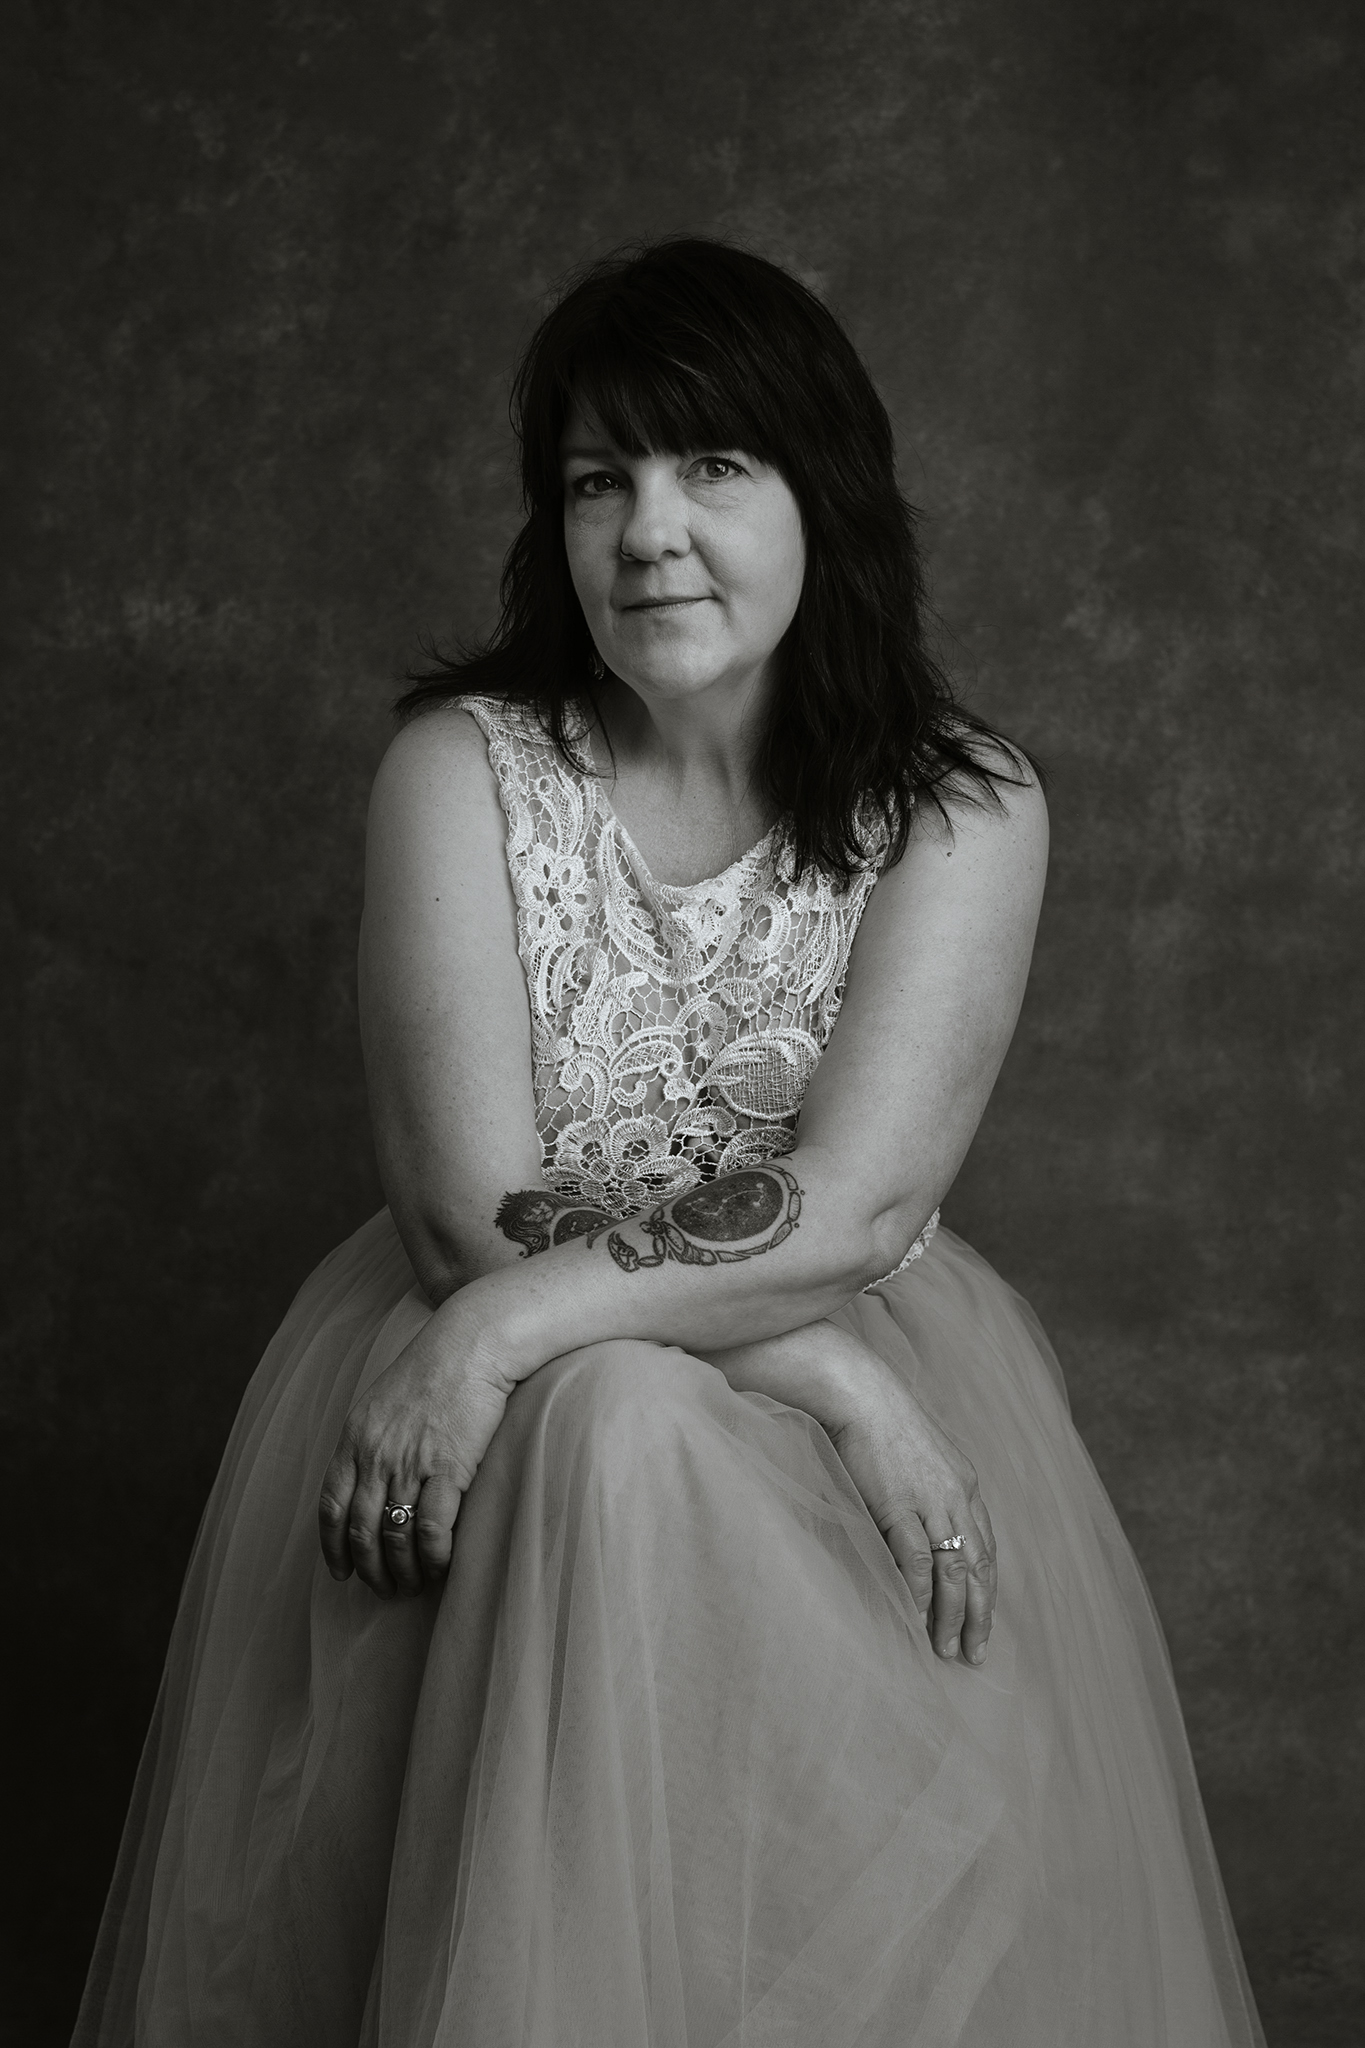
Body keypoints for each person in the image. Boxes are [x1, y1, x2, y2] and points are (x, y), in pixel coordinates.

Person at [74, 238, 1264, 2048]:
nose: (646, 532)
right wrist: (825, 1379)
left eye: (712, 465)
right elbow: (463, 1216)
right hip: (536, 1363)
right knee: (612, 1420)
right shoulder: (460, 769)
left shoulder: (962, 804)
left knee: (620, 1421)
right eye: (593, 480)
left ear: (823, 495)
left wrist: (524, 1331)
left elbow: (853, 1206)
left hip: (663, 1341)